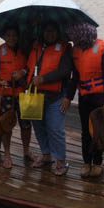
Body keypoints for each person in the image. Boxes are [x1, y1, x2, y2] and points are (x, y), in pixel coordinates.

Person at [65, 23, 104, 178]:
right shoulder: (75, 50)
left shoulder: (103, 47)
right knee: (86, 132)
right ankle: (87, 162)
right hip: (84, 96)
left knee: (98, 131)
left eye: (75, 37)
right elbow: (75, 78)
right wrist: (68, 97)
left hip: (100, 97)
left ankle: (98, 163)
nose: (73, 41)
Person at [26, 22, 73, 176]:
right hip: (36, 96)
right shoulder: (35, 46)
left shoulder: (66, 47)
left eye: (53, 31)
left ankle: (60, 160)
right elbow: (29, 67)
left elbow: (65, 71)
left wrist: (44, 79)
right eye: (47, 31)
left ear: (58, 33)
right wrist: (22, 72)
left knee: (55, 128)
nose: (50, 34)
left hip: (57, 96)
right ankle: (46, 155)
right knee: (38, 127)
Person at [0, 25, 35, 169]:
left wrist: (22, 72)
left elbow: (31, 66)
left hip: (22, 94)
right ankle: (7, 153)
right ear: (4, 36)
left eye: (14, 35)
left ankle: (26, 151)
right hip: (5, 94)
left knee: (26, 125)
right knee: (6, 125)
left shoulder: (25, 50)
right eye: (8, 35)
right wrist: (0, 82)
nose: (11, 38)